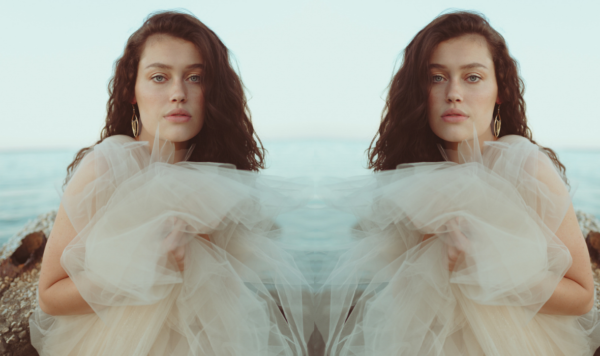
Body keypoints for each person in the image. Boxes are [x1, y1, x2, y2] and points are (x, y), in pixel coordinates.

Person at [317, 11, 600, 356]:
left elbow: (582, 297)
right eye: (437, 77)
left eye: (473, 77)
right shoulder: (415, 176)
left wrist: (483, 266)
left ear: (500, 91)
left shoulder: (524, 166)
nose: (453, 93)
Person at [31, 11, 308, 356]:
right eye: (159, 77)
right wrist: (149, 264)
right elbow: (50, 296)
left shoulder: (217, 178)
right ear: (132, 90)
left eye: (195, 77)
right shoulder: (109, 164)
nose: (178, 93)